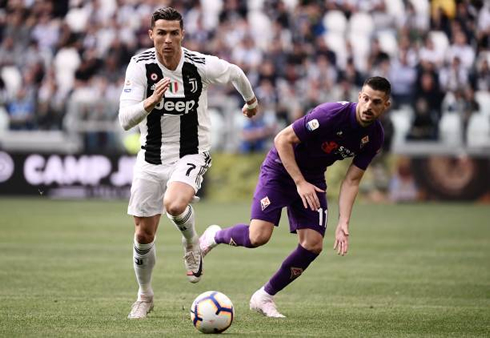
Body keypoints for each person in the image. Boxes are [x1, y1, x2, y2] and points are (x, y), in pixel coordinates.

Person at [200, 76, 391, 318]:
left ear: (385, 105)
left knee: (313, 244)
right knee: (258, 237)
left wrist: (343, 222)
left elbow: (352, 180)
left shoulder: (374, 136)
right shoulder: (330, 115)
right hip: (280, 170)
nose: (368, 106)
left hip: (312, 179)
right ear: (359, 97)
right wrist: (299, 183)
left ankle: (264, 296)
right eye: (365, 99)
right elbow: (282, 139)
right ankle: (214, 235)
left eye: (376, 102)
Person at [118, 7, 258, 319]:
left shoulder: (199, 65)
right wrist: (149, 102)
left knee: (175, 204)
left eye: (174, 33)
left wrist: (250, 101)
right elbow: (126, 119)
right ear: (151, 34)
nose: (167, 39)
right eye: (161, 33)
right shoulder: (140, 66)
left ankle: (192, 243)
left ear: (183, 35)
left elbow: (235, 72)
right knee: (143, 235)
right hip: (150, 156)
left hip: (191, 152)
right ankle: (145, 296)